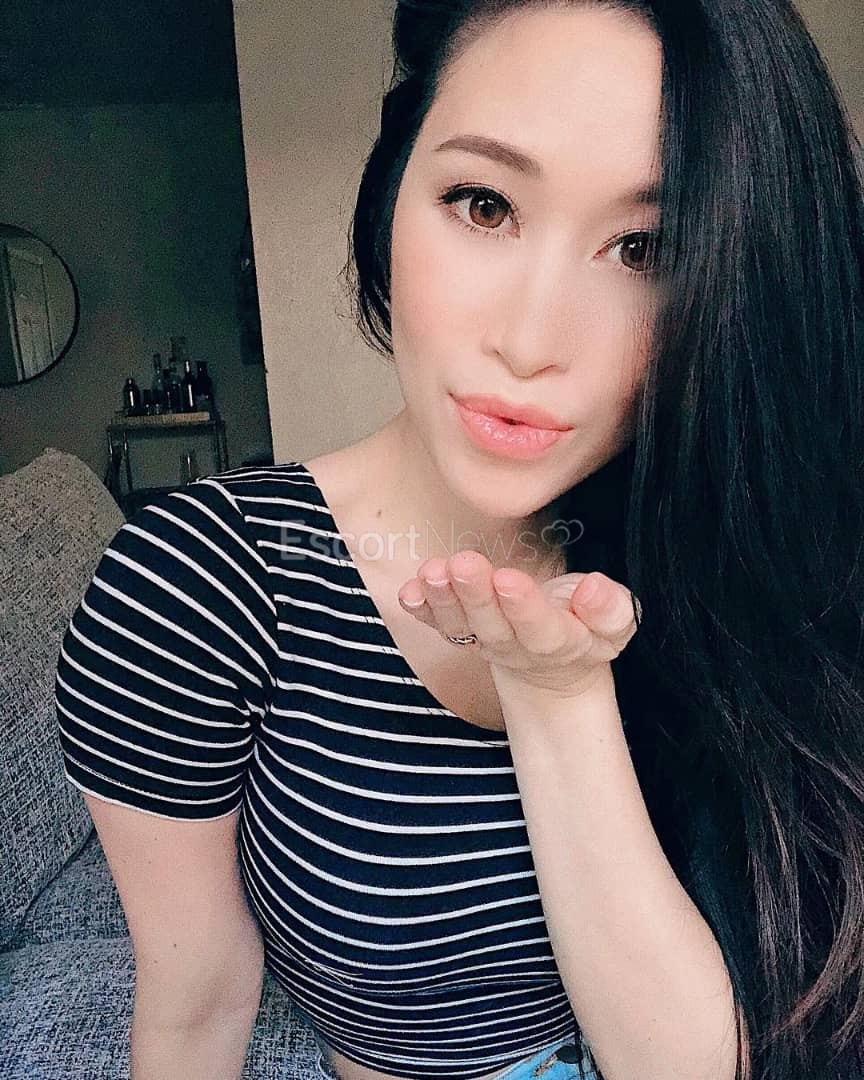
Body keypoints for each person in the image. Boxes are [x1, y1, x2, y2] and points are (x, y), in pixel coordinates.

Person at [53, 1, 864, 1078]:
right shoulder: (203, 586)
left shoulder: (739, 557)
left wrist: (558, 697)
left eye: (647, 248)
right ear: (391, 193)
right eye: (484, 204)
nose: (530, 341)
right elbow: (197, 1003)